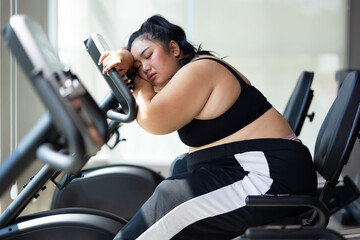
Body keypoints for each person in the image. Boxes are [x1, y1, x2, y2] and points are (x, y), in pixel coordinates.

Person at [99, 15, 317, 240]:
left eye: (148, 55)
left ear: (173, 48)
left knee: (170, 199)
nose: (145, 68)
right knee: (180, 168)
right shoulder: (188, 72)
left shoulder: (201, 69)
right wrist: (124, 58)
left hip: (270, 177)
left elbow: (153, 117)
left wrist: (136, 78)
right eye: (138, 67)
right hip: (255, 169)